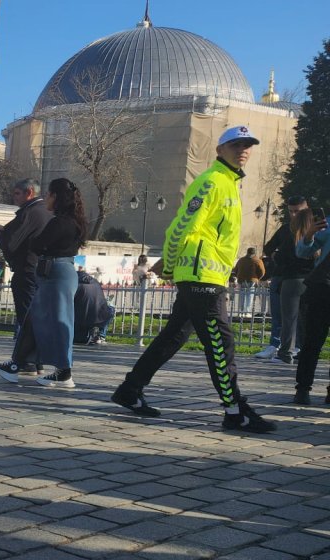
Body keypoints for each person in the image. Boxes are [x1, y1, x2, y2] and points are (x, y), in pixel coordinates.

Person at [110, 125, 274, 433]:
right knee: (220, 342)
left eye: (248, 144)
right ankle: (234, 410)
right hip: (201, 276)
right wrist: (170, 267)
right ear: (219, 151)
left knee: (174, 335)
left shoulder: (228, 184)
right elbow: (178, 229)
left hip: (207, 275)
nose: (243, 149)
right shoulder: (212, 182)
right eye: (236, 144)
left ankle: (130, 390)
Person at [0, 178, 87, 388]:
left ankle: (64, 372)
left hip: (55, 272)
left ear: (57, 197)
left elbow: (38, 243)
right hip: (60, 271)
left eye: (50, 195)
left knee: (59, 322)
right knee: (34, 320)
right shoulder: (73, 221)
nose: (47, 199)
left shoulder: (60, 222)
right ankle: (17, 365)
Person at [269, 198, 315, 364]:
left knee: (289, 318)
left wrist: (276, 256)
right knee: (307, 318)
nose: (293, 214)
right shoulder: (317, 230)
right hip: (312, 279)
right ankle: (306, 352)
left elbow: (283, 256)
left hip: (292, 279)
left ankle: (286, 353)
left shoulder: (291, 232)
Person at [293, 208, 330, 404]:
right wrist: (309, 234)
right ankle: (303, 388)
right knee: (312, 342)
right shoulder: (328, 224)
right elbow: (302, 251)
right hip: (322, 288)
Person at [74, 270, 114, 345]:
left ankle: (87, 334)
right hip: (100, 314)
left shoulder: (76, 284)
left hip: (81, 316)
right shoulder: (95, 282)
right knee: (111, 309)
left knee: (79, 339)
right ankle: (101, 336)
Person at [232, 247, 264, 318]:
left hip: (241, 279)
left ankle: (241, 312)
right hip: (252, 280)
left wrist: (237, 276)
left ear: (247, 252)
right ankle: (247, 312)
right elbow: (262, 272)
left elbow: (236, 269)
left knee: (242, 295)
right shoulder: (257, 260)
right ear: (254, 253)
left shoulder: (241, 260)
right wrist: (257, 278)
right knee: (250, 296)